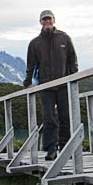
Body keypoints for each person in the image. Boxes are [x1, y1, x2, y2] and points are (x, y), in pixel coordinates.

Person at [23, 10, 78, 160]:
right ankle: (51, 149)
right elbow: (31, 65)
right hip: (45, 86)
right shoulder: (35, 43)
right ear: (40, 22)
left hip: (64, 85)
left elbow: (72, 60)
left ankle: (66, 147)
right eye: (44, 19)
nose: (47, 21)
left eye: (49, 19)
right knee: (49, 118)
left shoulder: (64, 38)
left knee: (65, 117)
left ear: (54, 20)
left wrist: (72, 77)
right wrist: (28, 82)